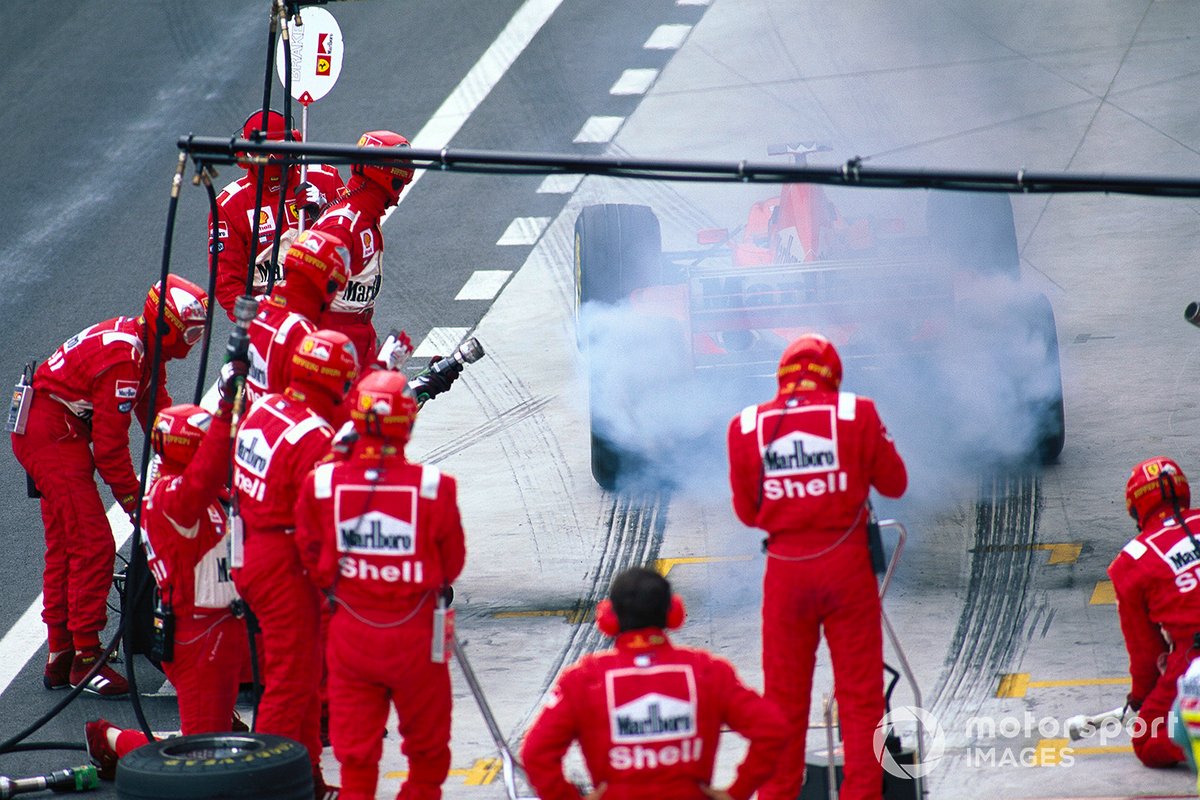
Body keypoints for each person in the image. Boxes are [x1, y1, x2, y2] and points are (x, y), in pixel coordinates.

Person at [725, 333, 907, 800]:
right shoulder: (856, 413)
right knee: (861, 695)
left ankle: (779, 792)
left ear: (781, 378)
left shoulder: (745, 425)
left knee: (783, 697)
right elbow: (895, 482)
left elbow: (747, 513)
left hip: (785, 572)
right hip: (846, 568)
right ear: (834, 377)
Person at [12, 275, 209, 697]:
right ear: (166, 327)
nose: (195, 341)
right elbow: (111, 449)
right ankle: (86, 657)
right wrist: (138, 503)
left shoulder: (143, 350)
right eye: (191, 332)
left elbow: (157, 415)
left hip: (56, 423)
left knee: (66, 542)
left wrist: (195, 465)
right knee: (94, 542)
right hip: (52, 432)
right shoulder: (125, 359)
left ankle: (60, 652)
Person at [296, 370, 466, 800]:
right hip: (416, 636)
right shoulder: (435, 487)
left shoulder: (320, 482)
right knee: (428, 753)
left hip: (350, 635)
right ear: (408, 424)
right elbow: (452, 566)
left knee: (356, 757)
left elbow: (309, 555)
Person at [83, 362, 251, 779]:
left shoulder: (204, 490)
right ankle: (110, 740)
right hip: (194, 633)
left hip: (223, 623)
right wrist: (227, 410)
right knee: (200, 753)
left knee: (221, 737)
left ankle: (221, 726)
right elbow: (207, 474)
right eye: (205, 441)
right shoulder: (171, 499)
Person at [520, 566, 788, 800]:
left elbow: (534, 753)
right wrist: (737, 792)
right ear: (674, 613)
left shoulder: (583, 680)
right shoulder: (708, 671)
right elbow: (772, 729)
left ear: (608, 618)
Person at [232, 329, 359, 798]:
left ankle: (307, 780)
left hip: (247, 547)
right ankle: (270, 786)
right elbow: (323, 522)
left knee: (300, 675)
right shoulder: (315, 438)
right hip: (284, 561)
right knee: (289, 682)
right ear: (333, 384)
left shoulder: (263, 407)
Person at [1108, 456, 1200, 768]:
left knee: (1147, 739)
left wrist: (1139, 699)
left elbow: (1145, 654)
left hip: (1194, 654)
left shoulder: (1130, 562)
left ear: (1136, 509)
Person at [210, 108, 345, 319]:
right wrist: (265, 323)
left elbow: (353, 249)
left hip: (329, 312)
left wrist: (325, 213)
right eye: (262, 154)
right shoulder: (229, 206)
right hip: (271, 321)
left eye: (277, 151)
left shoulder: (324, 179)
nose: (271, 160)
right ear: (244, 155)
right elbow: (226, 283)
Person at [312, 130, 414, 367]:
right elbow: (306, 304)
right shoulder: (344, 227)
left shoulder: (364, 220)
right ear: (392, 178)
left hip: (359, 343)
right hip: (333, 353)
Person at [244, 228, 352, 406]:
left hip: (248, 423)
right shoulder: (306, 338)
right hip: (279, 429)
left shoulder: (260, 307)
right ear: (329, 285)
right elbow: (318, 410)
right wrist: (381, 366)